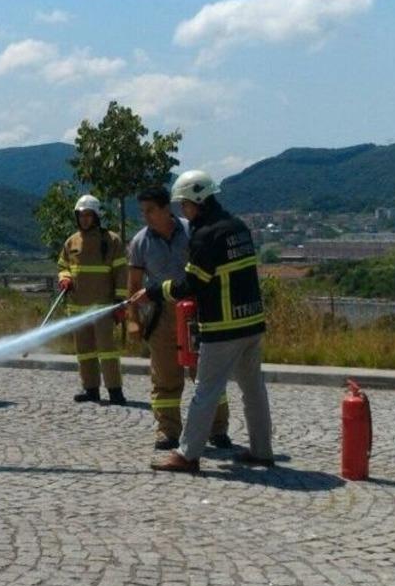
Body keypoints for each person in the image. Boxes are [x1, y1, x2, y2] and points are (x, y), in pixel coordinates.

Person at [131, 171, 274, 472]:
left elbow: (192, 284)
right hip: (251, 323)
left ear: (197, 200)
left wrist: (155, 291)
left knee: (205, 391)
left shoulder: (206, 235)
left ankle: (187, 454)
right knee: (254, 391)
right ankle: (262, 451)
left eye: (185, 204)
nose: (183, 210)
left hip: (222, 327)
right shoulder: (238, 228)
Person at [127, 186, 231, 451]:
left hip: (196, 315)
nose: (146, 216)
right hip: (161, 318)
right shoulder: (140, 242)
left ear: (166, 208)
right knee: (164, 377)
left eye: (150, 210)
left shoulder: (192, 231)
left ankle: (217, 430)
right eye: (143, 211)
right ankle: (168, 431)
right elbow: (134, 285)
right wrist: (133, 319)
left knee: (207, 375)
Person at [56, 194, 127, 405]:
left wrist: (120, 302)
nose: (85, 219)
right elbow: (63, 266)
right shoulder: (71, 241)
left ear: (96, 217)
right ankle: (91, 389)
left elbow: (121, 272)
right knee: (85, 352)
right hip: (77, 308)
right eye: (81, 215)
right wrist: (65, 278)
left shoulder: (111, 240)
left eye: (89, 215)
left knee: (107, 352)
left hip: (102, 307)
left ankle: (115, 391)